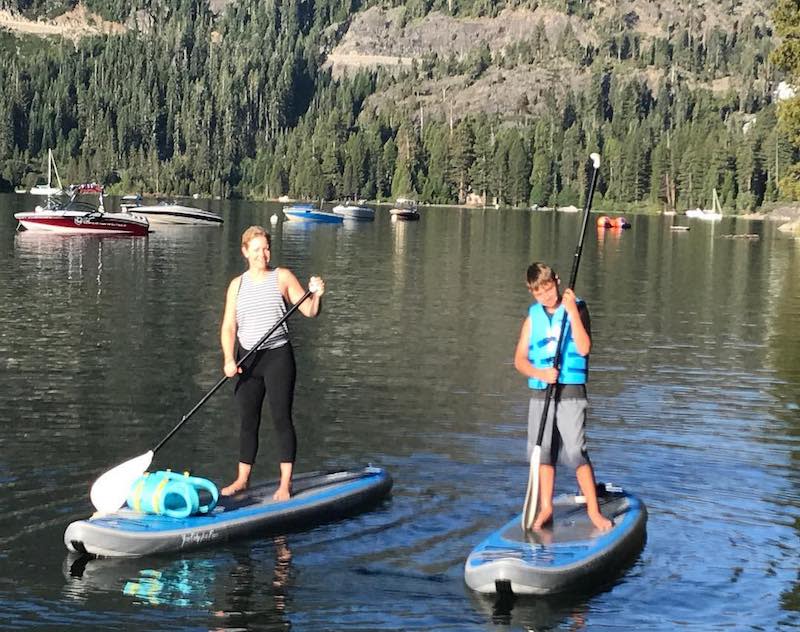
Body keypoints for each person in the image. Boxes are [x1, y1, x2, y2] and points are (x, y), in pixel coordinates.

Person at [220, 225, 325, 499]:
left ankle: (285, 484)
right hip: (247, 359)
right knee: (247, 420)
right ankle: (243, 480)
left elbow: (309, 311)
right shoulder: (236, 285)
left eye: (266, 249)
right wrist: (229, 359)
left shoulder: (283, 277)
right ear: (245, 252)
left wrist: (317, 295)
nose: (263, 255)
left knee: (281, 419)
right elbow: (229, 326)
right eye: (257, 250)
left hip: (278, 357)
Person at [513, 262, 612, 532]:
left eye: (548, 288)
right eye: (538, 293)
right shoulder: (533, 317)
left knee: (575, 451)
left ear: (556, 281)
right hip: (542, 389)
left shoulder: (576, 308)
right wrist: (540, 373)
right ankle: (546, 507)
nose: (545, 296)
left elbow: (584, 347)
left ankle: (594, 511)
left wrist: (571, 312)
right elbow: (520, 361)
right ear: (532, 293)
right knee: (544, 452)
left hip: (570, 389)